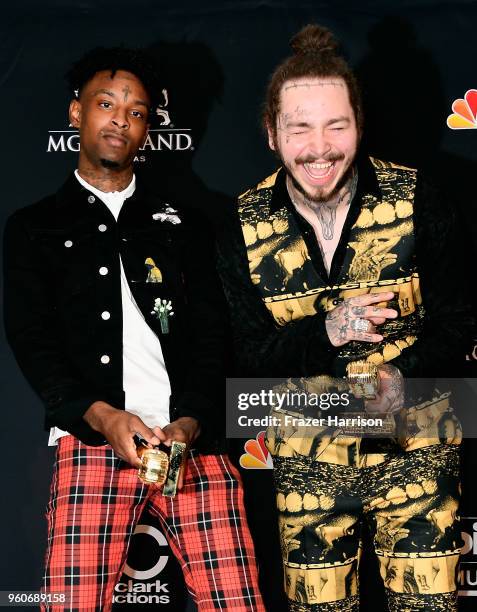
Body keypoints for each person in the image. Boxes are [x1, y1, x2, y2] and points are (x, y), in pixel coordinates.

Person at [217, 24, 474, 612]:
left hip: (418, 452)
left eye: (337, 125)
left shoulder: (420, 200)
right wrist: (326, 331)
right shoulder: (241, 223)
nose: (320, 147)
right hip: (308, 464)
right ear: (271, 133)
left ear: (359, 124)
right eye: (300, 127)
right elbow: (247, 354)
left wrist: (404, 376)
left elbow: (460, 325)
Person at [4, 47, 264, 612]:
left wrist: (193, 420)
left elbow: (211, 332)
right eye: (106, 104)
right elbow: (32, 338)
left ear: (149, 126)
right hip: (91, 440)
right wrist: (100, 415)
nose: (121, 119)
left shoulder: (190, 225)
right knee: (65, 605)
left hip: (192, 443)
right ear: (77, 114)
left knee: (239, 602)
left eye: (138, 111)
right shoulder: (33, 227)